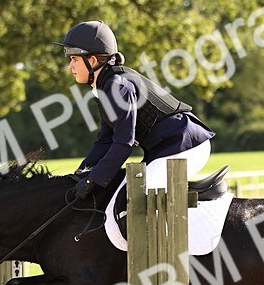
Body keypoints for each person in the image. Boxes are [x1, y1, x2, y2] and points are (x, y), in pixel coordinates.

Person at [57, 21, 215, 201]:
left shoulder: (116, 86)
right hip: (169, 147)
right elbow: (105, 140)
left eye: (74, 59)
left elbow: (124, 142)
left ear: (92, 60)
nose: (70, 66)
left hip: (185, 146)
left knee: (133, 197)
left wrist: (94, 179)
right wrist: (81, 173)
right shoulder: (106, 87)